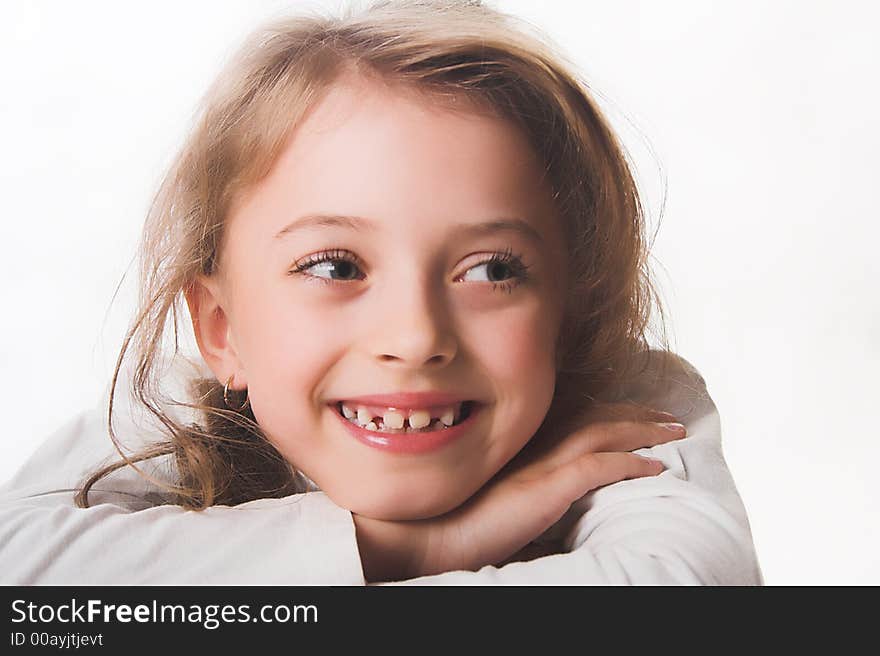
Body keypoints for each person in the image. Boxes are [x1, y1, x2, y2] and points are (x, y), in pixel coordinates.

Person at [0, 0, 762, 585]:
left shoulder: (627, 411)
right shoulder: (174, 416)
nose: (415, 335)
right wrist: (418, 547)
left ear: (570, 315)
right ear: (224, 329)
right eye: (335, 267)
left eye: (493, 269)